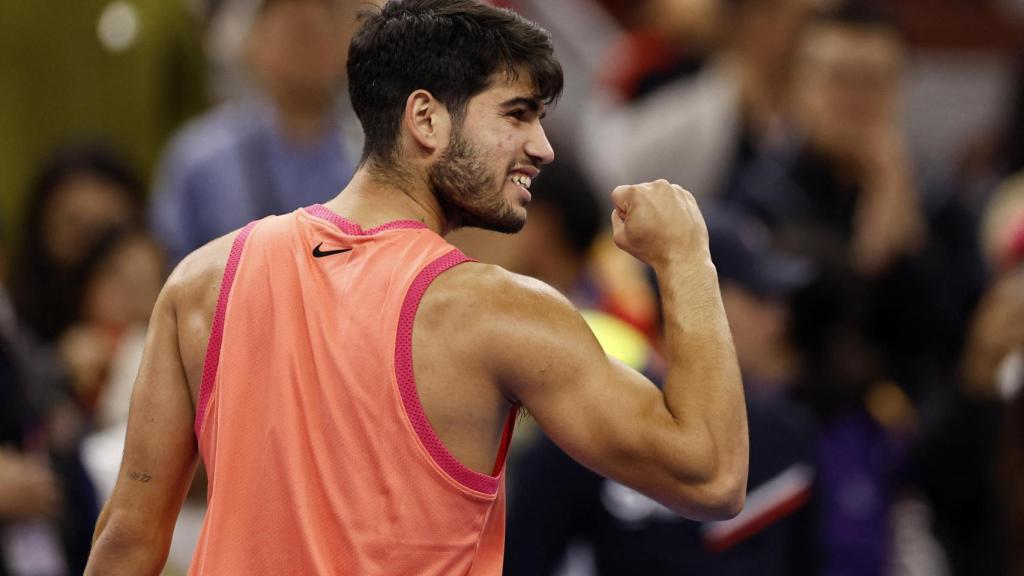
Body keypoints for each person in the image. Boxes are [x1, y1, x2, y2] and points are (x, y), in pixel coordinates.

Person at [84, 1, 748, 574]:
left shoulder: (201, 280)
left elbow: (126, 543)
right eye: (516, 115)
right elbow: (711, 473)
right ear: (425, 120)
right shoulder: (497, 313)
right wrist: (687, 256)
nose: (543, 148)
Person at [150, 0, 364, 264]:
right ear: (252, 41)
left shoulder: (372, 149)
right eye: (285, 25)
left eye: (313, 26)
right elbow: (169, 268)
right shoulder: (200, 158)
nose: (301, 39)